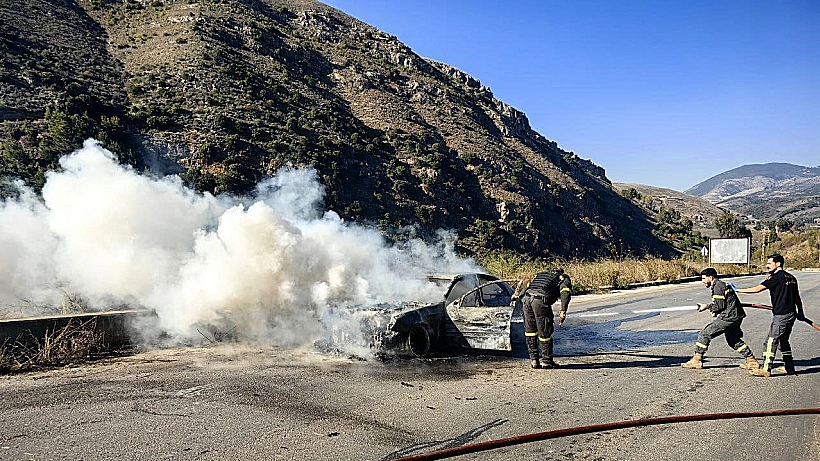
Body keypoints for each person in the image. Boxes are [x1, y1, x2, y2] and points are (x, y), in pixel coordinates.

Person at [734, 253, 805, 377]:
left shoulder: (777, 277)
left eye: (769, 263)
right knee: (783, 340)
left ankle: (766, 369)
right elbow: (797, 297)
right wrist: (800, 311)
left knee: (771, 341)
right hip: (791, 313)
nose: (767, 266)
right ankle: (789, 367)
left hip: (782, 314)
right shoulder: (791, 277)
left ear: (778, 264)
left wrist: (738, 290)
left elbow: (757, 289)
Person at [681, 268, 759, 370]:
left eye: (704, 278)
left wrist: (707, 307)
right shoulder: (720, 285)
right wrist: (716, 310)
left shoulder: (718, 286)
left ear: (711, 277)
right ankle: (751, 361)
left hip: (729, 317)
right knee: (733, 340)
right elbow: (723, 304)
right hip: (735, 316)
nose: (702, 281)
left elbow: (719, 305)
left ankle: (697, 360)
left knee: (705, 333)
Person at [521, 268, 572, 369]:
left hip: (526, 299)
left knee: (530, 331)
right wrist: (563, 311)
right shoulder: (562, 278)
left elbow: (526, 288)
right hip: (540, 301)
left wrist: (519, 298)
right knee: (545, 331)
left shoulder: (541, 275)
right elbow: (565, 293)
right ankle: (547, 361)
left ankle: (534, 361)